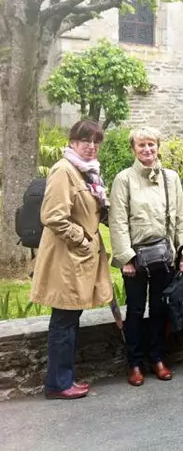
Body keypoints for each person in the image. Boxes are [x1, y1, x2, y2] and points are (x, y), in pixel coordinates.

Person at [29, 121, 112, 399]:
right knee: (64, 321)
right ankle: (58, 384)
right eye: (85, 140)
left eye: (96, 141)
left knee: (68, 319)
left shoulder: (87, 173)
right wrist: (83, 239)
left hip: (77, 260)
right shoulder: (64, 170)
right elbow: (52, 216)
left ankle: (62, 380)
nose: (91, 146)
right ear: (72, 142)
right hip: (66, 259)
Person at [109, 127, 183, 386]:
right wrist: (126, 258)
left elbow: (179, 217)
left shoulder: (170, 178)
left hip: (164, 256)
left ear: (158, 147)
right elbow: (118, 220)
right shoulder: (124, 179)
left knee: (159, 309)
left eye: (151, 144)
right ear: (133, 149)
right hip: (135, 257)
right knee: (134, 310)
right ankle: (134, 362)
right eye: (141, 145)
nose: (147, 149)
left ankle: (157, 358)